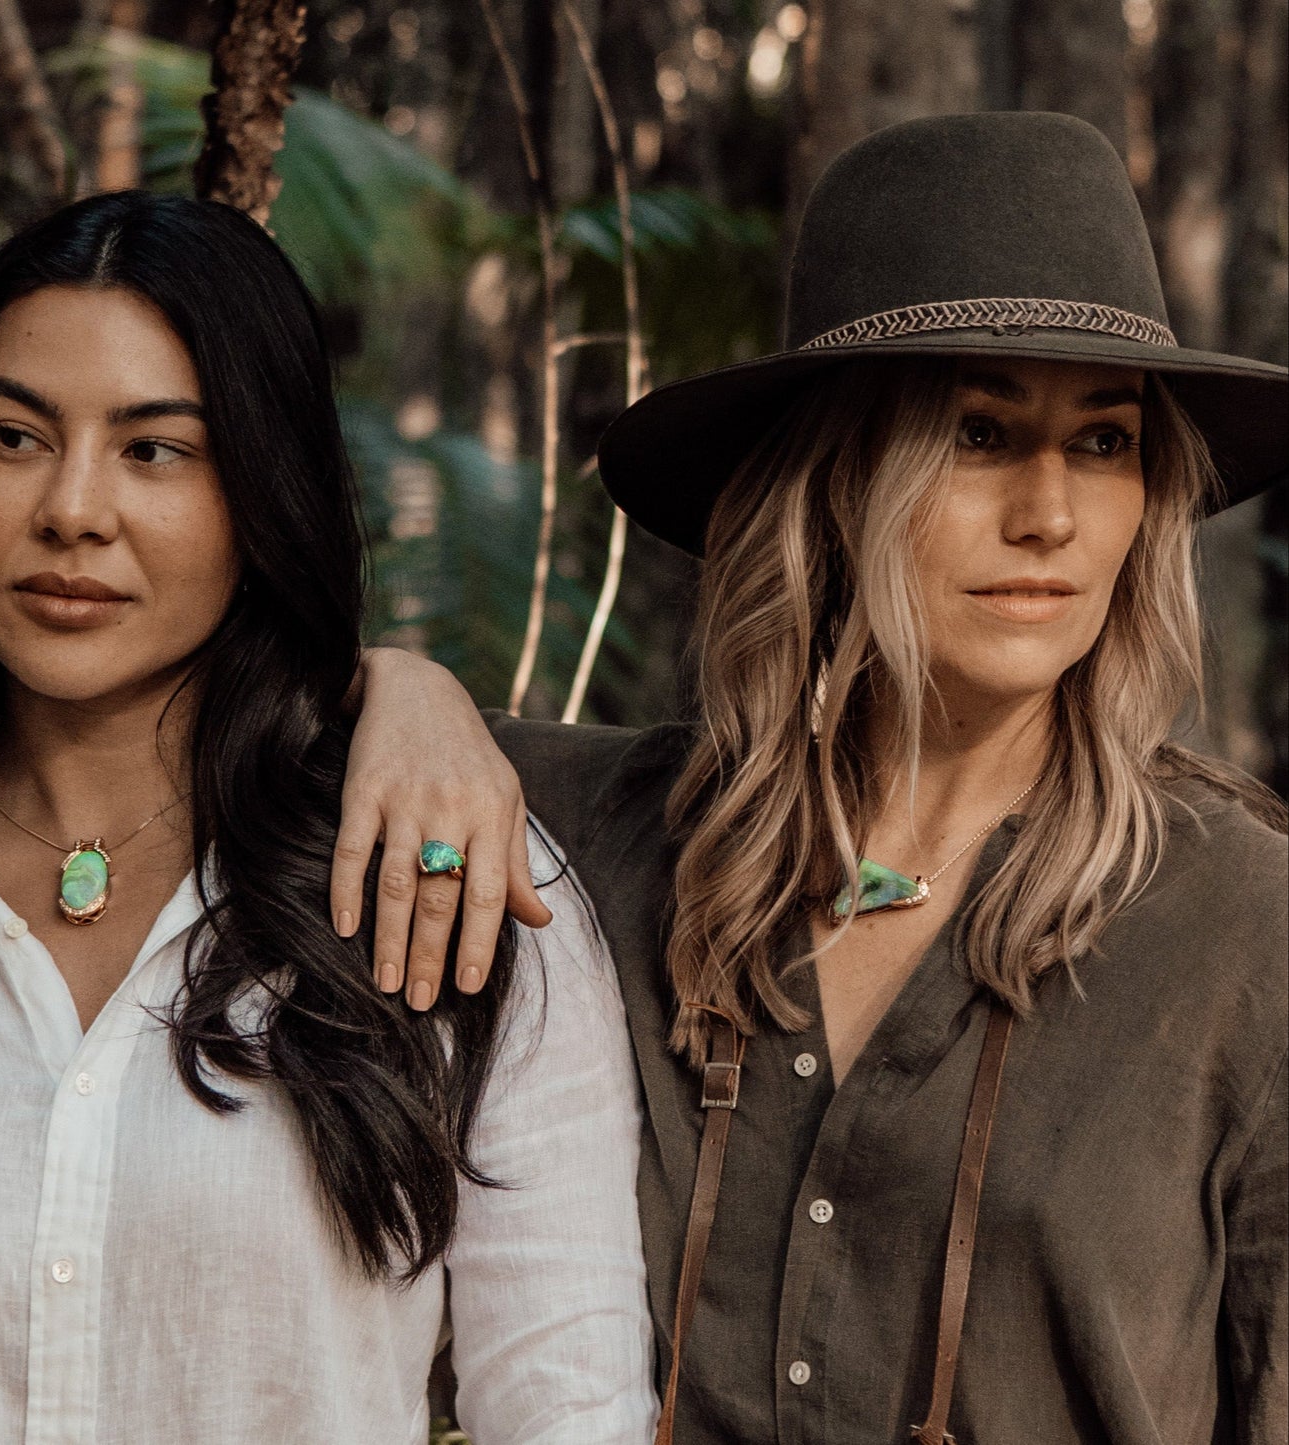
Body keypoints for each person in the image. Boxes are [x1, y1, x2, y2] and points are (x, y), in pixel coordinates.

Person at [338, 113, 1288, 1443]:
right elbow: (197, 740)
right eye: (975, 433)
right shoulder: (585, 847)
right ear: (830, 479)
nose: (1051, 517)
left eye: (1102, 442)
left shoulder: (1246, 930)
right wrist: (406, 691)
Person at [0, 191, 657, 1444]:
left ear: (259, 492)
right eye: (14, 436)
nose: (72, 507)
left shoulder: (442, 887)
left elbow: (568, 1409)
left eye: (156, 449)